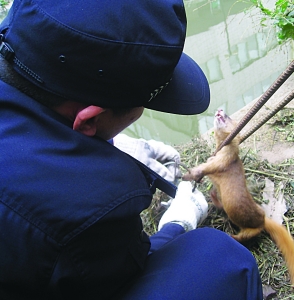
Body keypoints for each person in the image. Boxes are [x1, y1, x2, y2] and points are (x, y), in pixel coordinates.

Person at [0, 0, 263, 299]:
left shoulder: (17, 46)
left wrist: (108, 141)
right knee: (222, 259)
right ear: (89, 119)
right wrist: (177, 225)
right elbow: (122, 277)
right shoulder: (92, 208)